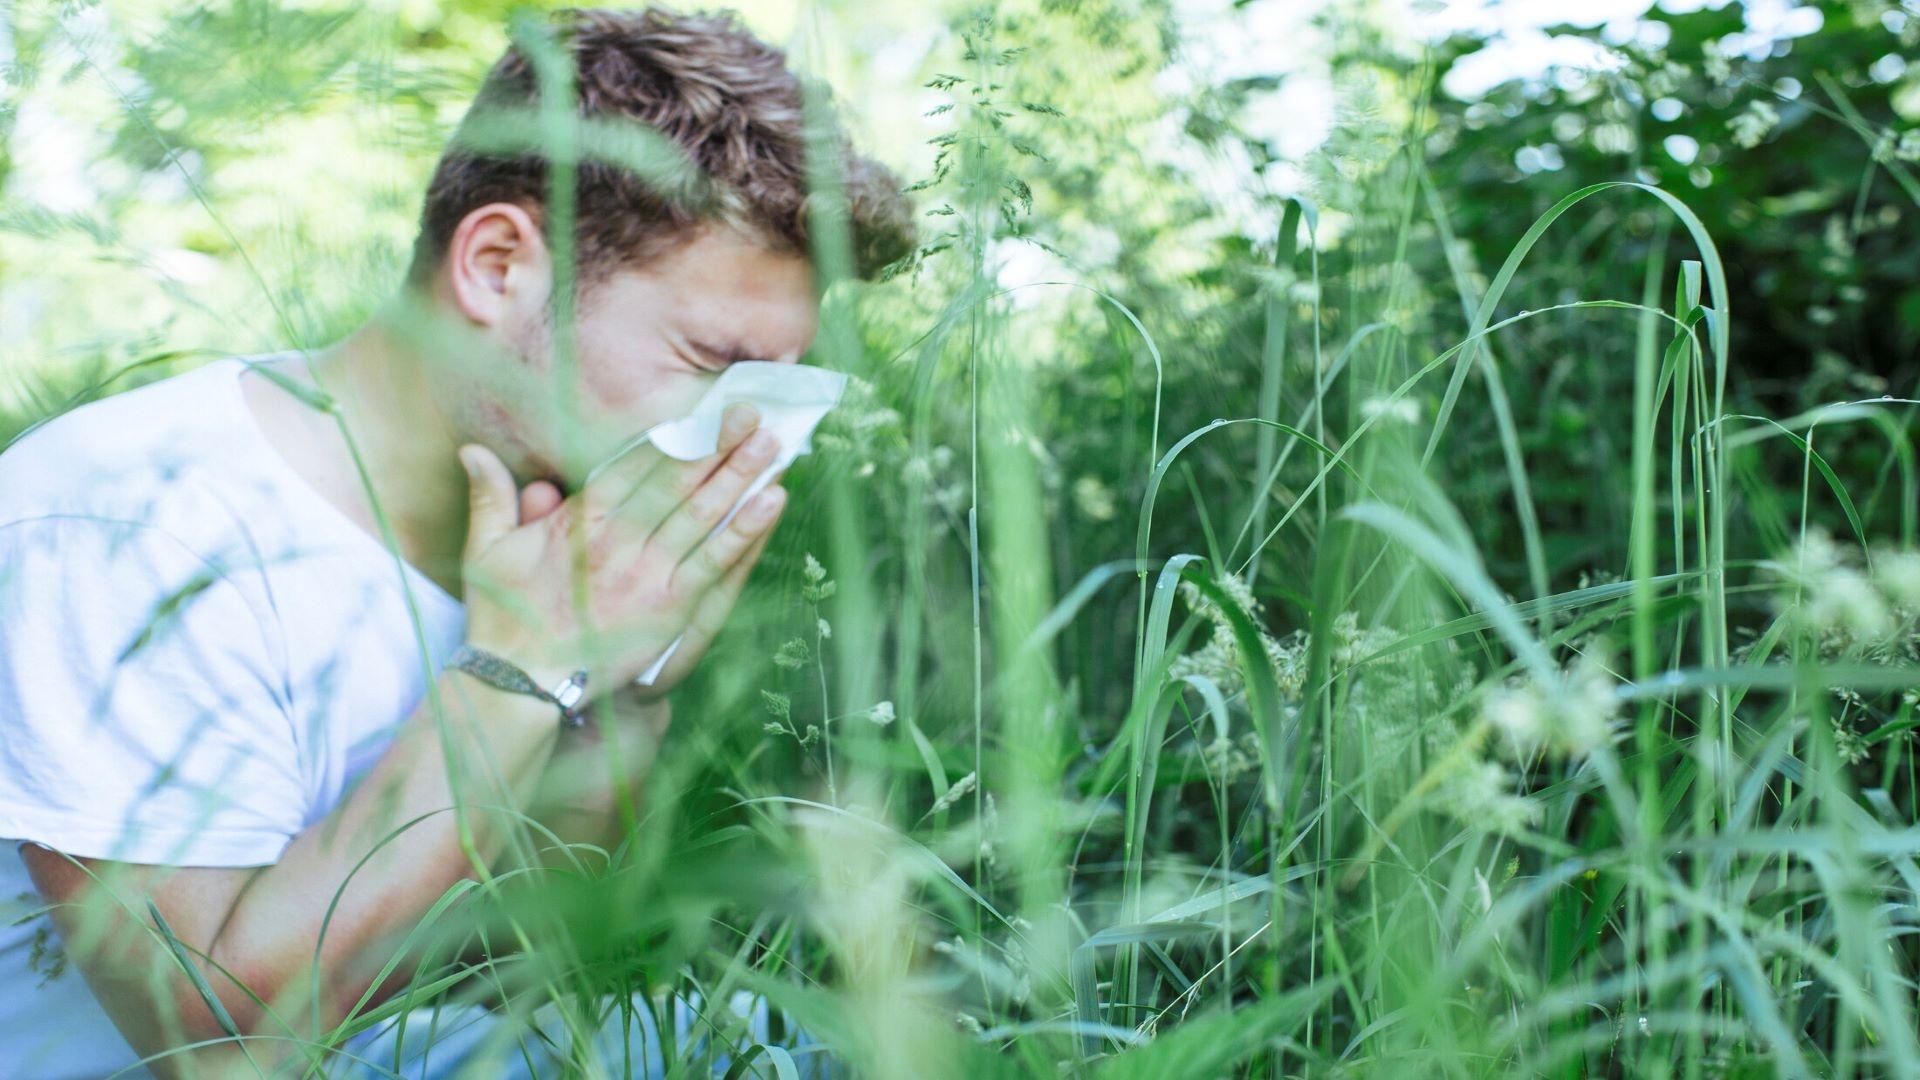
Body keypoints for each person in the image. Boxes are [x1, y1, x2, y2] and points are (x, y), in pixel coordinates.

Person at [0, 5, 911, 1077]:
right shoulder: (126, 524)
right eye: (710, 361)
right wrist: (519, 671)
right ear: (494, 265)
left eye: (778, 382)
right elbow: (221, 1043)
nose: (748, 433)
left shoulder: (554, 535)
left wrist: (627, 689)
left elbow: (538, 955)